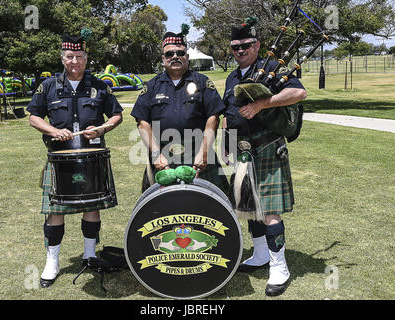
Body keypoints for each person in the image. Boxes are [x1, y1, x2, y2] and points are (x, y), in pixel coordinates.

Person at [26, 31, 123, 288]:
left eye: (79, 56)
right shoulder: (48, 86)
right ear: (62, 58)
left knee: (92, 206)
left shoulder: (100, 85)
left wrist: (102, 129)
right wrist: (54, 131)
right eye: (70, 56)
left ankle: (90, 255)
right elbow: (33, 116)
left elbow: (116, 116)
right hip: (60, 158)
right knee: (55, 211)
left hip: (92, 156)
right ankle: (52, 262)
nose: (74, 61)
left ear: (86, 58)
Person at [223, 19, 307, 296]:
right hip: (242, 148)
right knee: (249, 205)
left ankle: (279, 267)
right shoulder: (232, 77)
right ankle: (260, 254)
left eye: (246, 45)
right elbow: (228, 114)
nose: (240, 50)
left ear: (257, 45)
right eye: (236, 47)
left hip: (268, 146)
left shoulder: (272, 68)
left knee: (270, 211)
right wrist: (225, 141)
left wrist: (263, 103)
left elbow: (298, 92)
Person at [131, 25, 229, 194]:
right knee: (160, 211)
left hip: (198, 156)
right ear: (163, 58)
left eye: (180, 53)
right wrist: (156, 155)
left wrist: (204, 153)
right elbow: (142, 122)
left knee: (210, 210)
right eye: (170, 54)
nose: (175, 56)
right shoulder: (152, 86)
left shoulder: (202, 82)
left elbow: (213, 118)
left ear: (187, 56)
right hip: (162, 159)